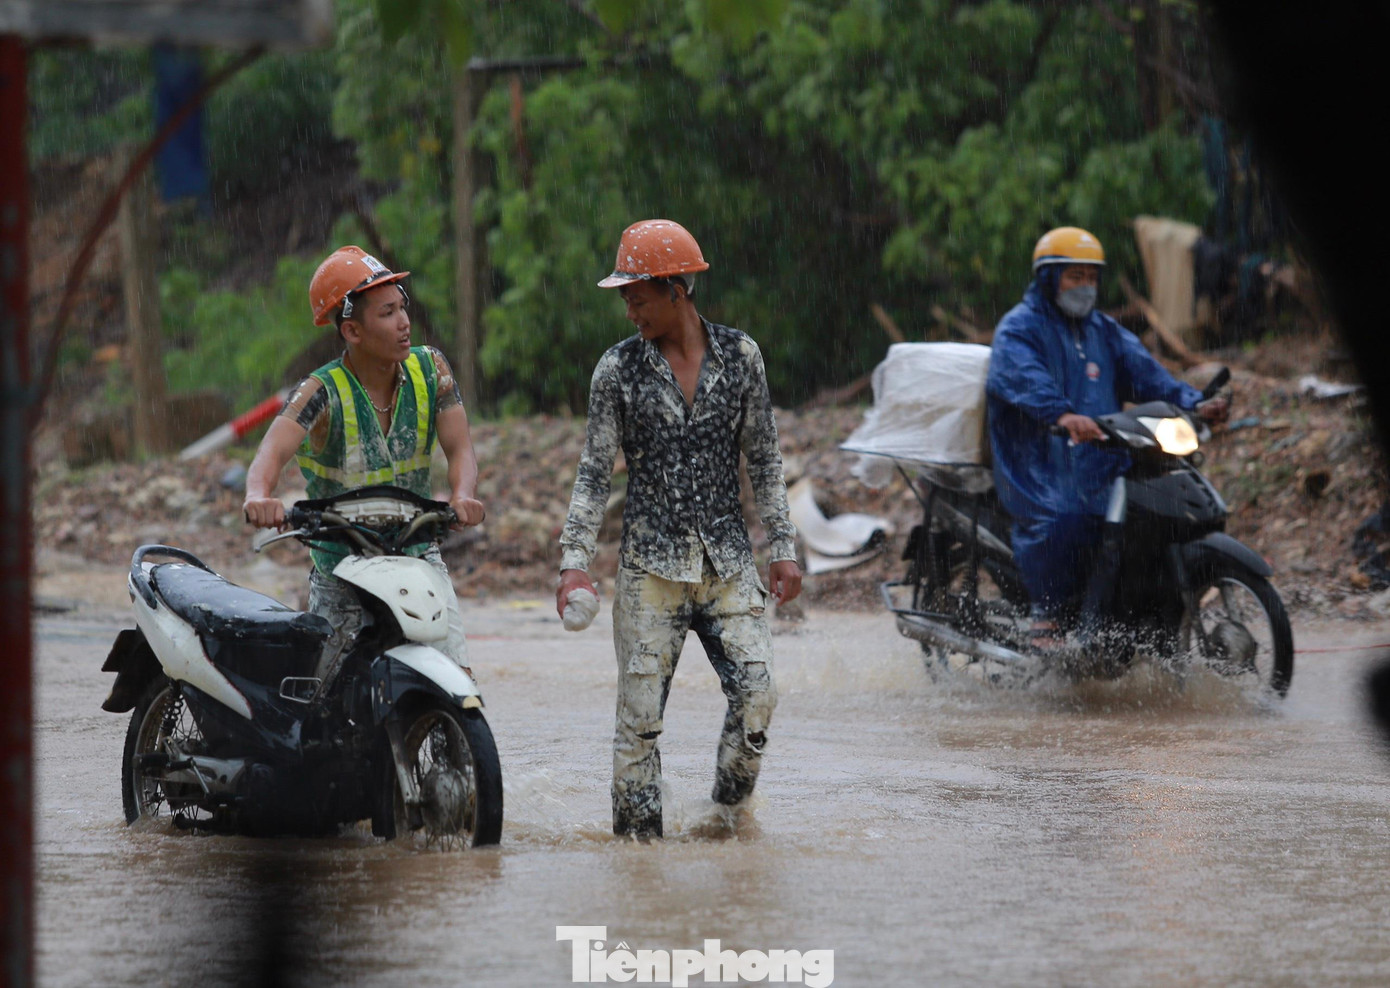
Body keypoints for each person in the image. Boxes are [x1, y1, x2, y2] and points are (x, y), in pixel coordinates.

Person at [556, 219, 802, 839]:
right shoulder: (616, 371)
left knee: (758, 698)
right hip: (650, 572)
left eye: (638, 295)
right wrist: (574, 560)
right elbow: (593, 472)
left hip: (727, 564)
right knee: (638, 726)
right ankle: (639, 860)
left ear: (676, 289)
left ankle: (724, 821)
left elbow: (766, 459)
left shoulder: (741, 357)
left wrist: (782, 546)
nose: (629, 308)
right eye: (625, 296)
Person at [242, 245, 485, 678]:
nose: (405, 322)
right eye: (388, 313)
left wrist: (463, 494)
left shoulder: (433, 370)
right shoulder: (321, 391)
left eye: (402, 308)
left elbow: (460, 448)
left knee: (456, 679)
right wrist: (259, 496)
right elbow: (271, 453)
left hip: (415, 551)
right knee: (328, 697)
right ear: (352, 331)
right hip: (341, 563)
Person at [986, 226, 1228, 650]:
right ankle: (1048, 614)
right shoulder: (1019, 328)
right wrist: (1062, 414)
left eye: (1091, 277)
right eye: (1073, 276)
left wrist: (1195, 402)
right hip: (1037, 457)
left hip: (1102, 451)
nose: (1085, 287)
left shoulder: (1103, 330)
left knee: (1149, 513)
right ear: (1048, 278)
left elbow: (1148, 373)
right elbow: (1024, 377)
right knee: (1068, 515)